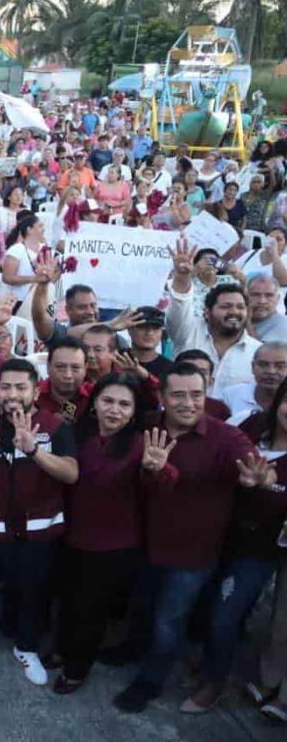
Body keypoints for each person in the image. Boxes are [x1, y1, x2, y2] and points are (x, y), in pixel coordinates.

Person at [113, 363, 261, 713]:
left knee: (169, 621)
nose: (188, 403)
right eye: (178, 395)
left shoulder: (226, 437)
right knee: (142, 605)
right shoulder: (147, 425)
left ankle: (150, 681)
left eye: (196, 394)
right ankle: (133, 650)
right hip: (144, 542)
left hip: (193, 553)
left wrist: (256, 478)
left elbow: (250, 464)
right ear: (162, 397)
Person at [0, 358, 79, 686]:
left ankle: (27, 648)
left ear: (35, 392)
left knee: (33, 594)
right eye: (6, 386)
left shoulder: (57, 426)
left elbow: (71, 472)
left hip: (38, 534)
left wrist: (34, 450)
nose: (12, 393)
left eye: (20, 387)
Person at [184, 377, 287, 713]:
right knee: (206, 604)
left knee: (224, 615)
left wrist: (266, 485)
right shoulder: (249, 423)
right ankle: (210, 658)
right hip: (213, 533)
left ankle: (214, 684)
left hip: (257, 551)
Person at [53, 374, 148, 694]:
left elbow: (161, 483)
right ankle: (61, 648)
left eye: (124, 404)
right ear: (94, 403)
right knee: (66, 598)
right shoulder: (76, 430)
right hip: (70, 533)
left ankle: (77, 668)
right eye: (108, 401)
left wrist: (159, 470)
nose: (115, 410)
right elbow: (55, 412)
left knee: (91, 611)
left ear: (135, 411)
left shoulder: (142, 444)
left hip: (113, 544)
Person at [166, 240, 261, 397]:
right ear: (207, 312)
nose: (234, 312)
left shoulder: (257, 352)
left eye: (240, 307)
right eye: (226, 307)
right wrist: (182, 278)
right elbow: (179, 309)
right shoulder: (188, 334)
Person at [222, 342, 287, 423]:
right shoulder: (230, 395)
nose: (271, 371)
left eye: (280, 366)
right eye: (263, 365)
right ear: (252, 367)